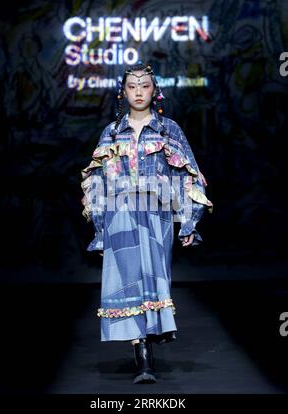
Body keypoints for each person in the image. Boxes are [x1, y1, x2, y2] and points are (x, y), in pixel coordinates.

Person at [80, 61, 213, 384]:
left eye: (145, 86)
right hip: (120, 216)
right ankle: (143, 359)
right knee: (127, 285)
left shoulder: (168, 130)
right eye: (132, 86)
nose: (138, 92)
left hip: (157, 216)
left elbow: (189, 175)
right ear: (122, 92)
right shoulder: (112, 133)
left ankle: (151, 342)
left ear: (156, 91)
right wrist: (99, 232)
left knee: (154, 283)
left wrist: (189, 222)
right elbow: (97, 183)